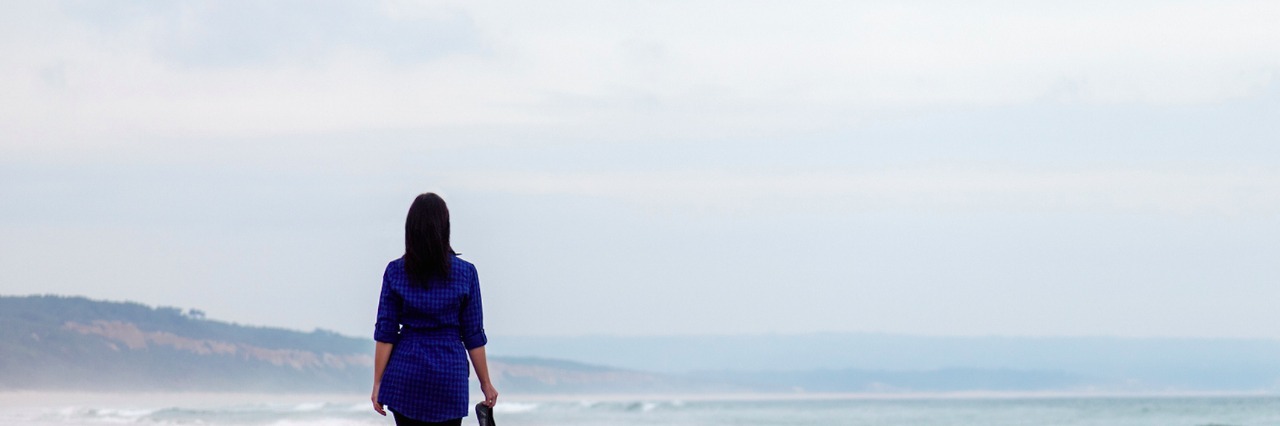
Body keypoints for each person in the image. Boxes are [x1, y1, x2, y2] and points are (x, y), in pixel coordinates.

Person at [372, 193, 499, 426]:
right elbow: (473, 335)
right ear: (445, 228)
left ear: (410, 229)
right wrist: (485, 383)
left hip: (406, 373)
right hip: (449, 374)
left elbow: (386, 332)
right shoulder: (466, 273)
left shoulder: (395, 271)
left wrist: (378, 382)